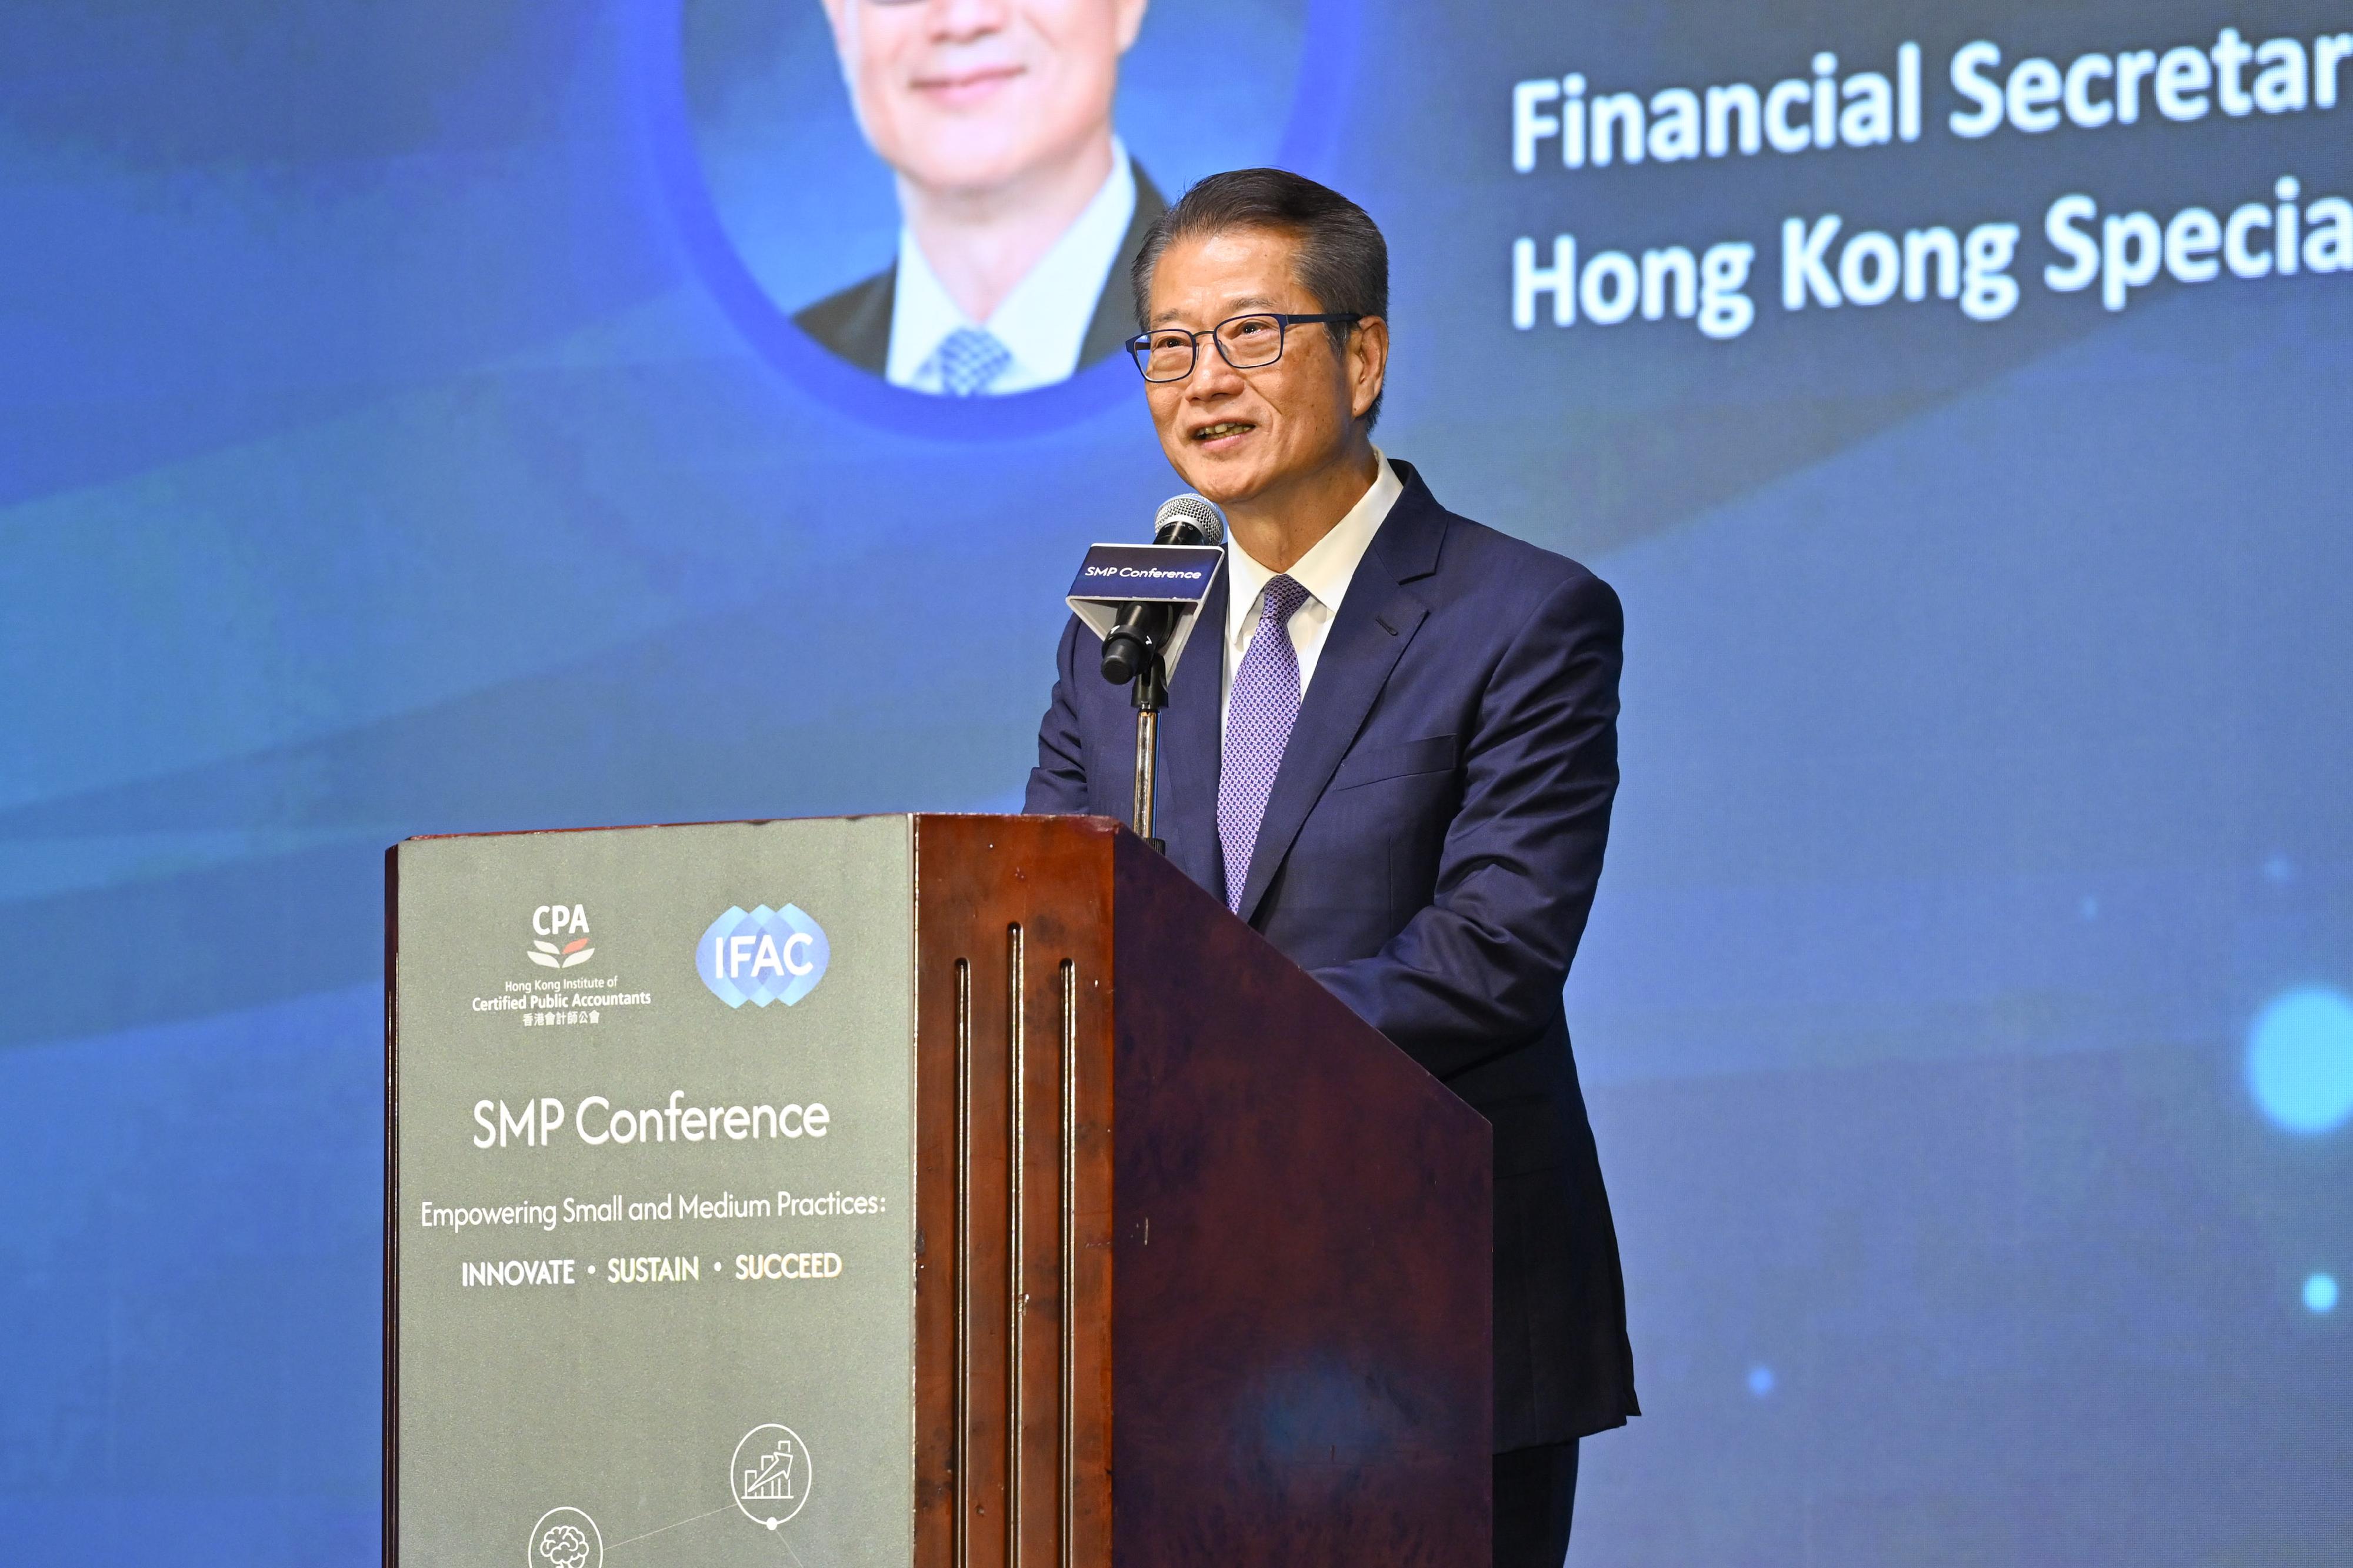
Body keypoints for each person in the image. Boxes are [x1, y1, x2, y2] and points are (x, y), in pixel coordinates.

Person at [1025, 168, 1637, 1565]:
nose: (1203, 380)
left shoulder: (1522, 613)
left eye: (1252, 333)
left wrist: (1200, 1047)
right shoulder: (1125, 623)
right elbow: (1056, 911)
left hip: (1431, 1302)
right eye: (1169, 345)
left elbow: (1493, 949)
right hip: (1169, 1313)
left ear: (1362, 354)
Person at [801, 0, 1166, 395]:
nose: (964, 20)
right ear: (840, 17)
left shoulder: (1234, 334)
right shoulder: (781, 381)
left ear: (1126, 7)